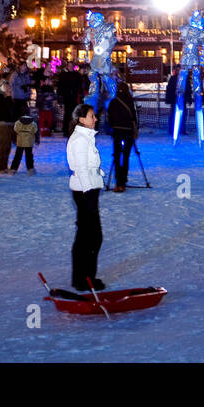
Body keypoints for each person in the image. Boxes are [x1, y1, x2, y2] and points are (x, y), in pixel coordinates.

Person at [67, 104, 105, 291]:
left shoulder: (85, 137)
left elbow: (87, 164)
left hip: (87, 190)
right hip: (85, 192)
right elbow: (81, 168)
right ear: (81, 119)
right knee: (91, 237)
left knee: (88, 236)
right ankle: (83, 279)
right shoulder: (81, 139)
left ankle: (85, 278)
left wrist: (99, 172)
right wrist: (89, 190)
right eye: (92, 116)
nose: (95, 119)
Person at [106, 80, 138, 191]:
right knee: (125, 157)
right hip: (128, 131)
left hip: (117, 131)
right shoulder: (130, 101)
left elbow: (109, 117)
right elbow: (134, 117)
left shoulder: (113, 102)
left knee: (117, 156)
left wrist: (112, 127)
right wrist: (135, 130)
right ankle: (123, 181)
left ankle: (118, 181)